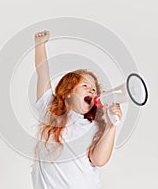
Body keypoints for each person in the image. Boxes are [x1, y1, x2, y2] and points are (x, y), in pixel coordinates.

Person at [31, 30, 123, 189]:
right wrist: (40, 45)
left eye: (94, 89)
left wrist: (111, 126)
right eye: (85, 86)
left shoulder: (93, 126)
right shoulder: (49, 110)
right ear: (67, 92)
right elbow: (43, 73)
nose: (91, 91)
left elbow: (99, 160)